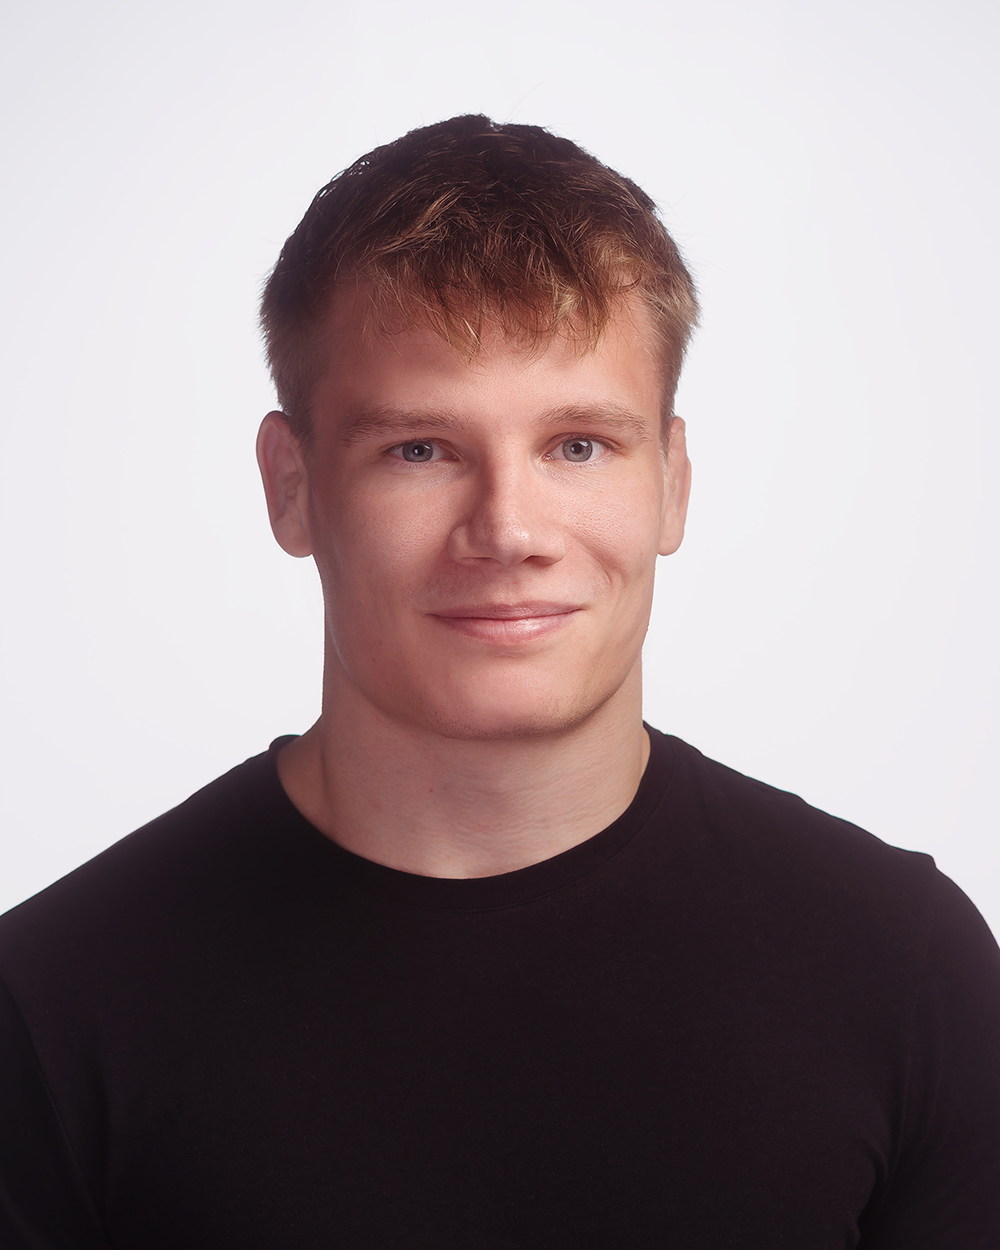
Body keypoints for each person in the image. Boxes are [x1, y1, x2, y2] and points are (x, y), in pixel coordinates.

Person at [1, 115, 998, 1249]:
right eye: (419, 449)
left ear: (671, 482)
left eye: (578, 445)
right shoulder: (50, 1012)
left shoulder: (904, 970)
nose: (509, 530)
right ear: (291, 485)